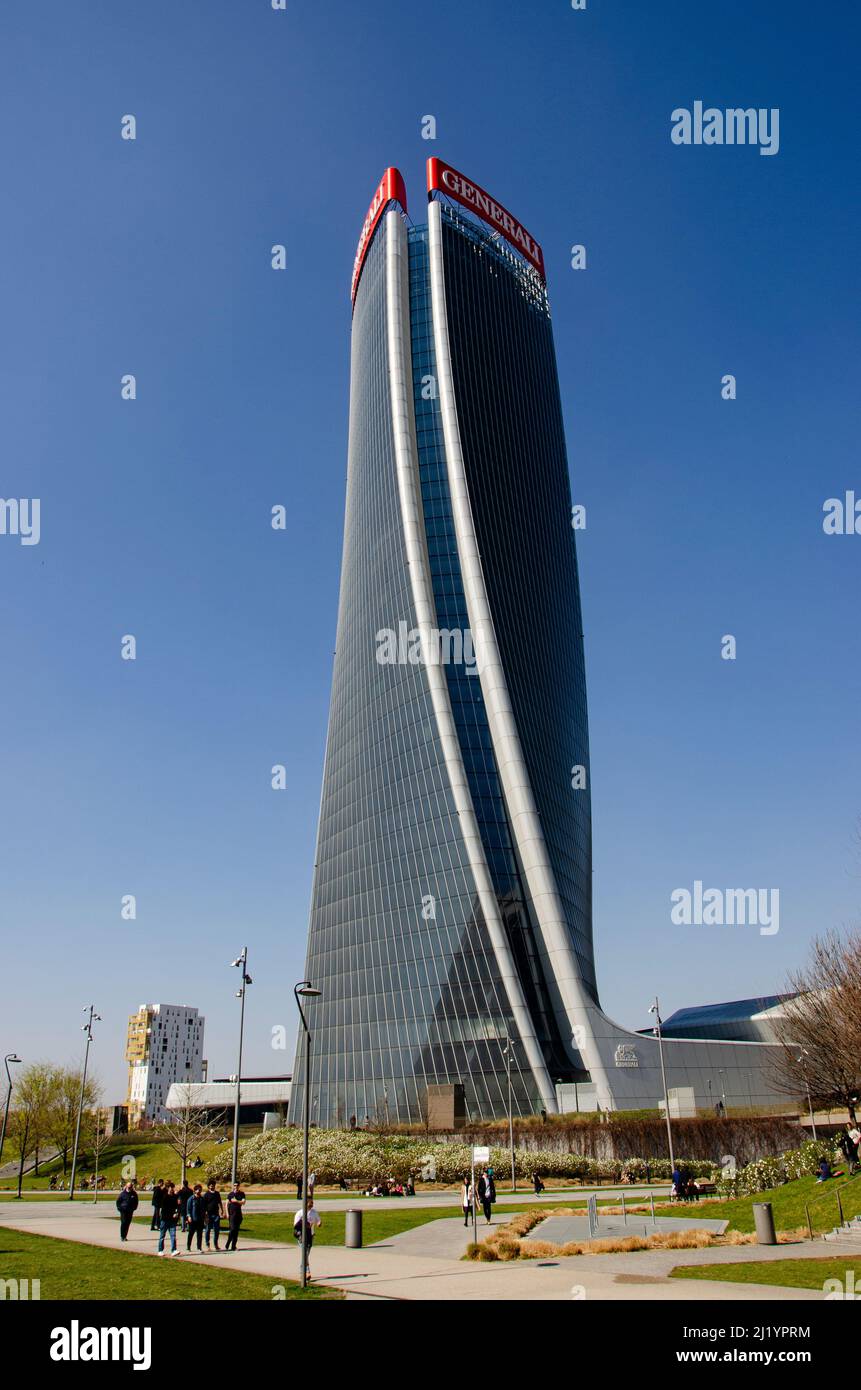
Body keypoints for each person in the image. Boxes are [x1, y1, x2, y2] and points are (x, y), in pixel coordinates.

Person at [293, 1199, 321, 1278]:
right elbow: (295, 1225)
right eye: (310, 1203)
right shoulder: (300, 1213)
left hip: (310, 1235)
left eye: (312, 1203)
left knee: (306, 1254)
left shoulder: (314, 1212)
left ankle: (302, 1270)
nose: (312, 1204)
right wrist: (305, 1225)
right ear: (305, 1203)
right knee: (305, 1253)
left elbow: (318, 1220)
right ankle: (307, 1272)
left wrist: (319, 1223)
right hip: (301, 1236)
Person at [158, 1180, 180, 1256]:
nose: (172, 1189)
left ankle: (174, 1250)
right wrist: (172, 1214)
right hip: (165, 1219)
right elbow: (164, 1209)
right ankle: (160, 1250)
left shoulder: (174, 1197)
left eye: (172, 1188)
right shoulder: (164, 1197)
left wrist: (176, 1212)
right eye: (170, 1188)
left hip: (172, 1220)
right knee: (162, 1236)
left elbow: (177, 1207)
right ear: (168, 1188)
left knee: (173, 1236)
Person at [203, 1179, 225, 1250]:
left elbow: (220, 1202)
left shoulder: (217, 1194)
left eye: (213, 1185)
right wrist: (205, 1213)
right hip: (208, 1215)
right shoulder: (206, 1195)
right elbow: (204, 1205)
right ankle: (207, 1245)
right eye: (210, 1185)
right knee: (208, 1230)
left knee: (216, 1230)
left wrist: (222, 1210)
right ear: (208, 1186)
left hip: (216, 1215)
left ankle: (216, 1244)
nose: (212, 1186)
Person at [224, 1181, 246, 1251]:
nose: (236, 1187)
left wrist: (236, 1201)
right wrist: (227, 1213)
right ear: (233, 1186)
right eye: (234, 1185)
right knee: (232, 1229)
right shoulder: (230, 1194)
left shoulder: (242, 1194)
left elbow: (243, 1202)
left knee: (236, 1231)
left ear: (239, 1186)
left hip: (238, 1214)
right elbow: (226, 1204)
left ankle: (233, 1246)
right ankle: (228, 1243)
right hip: (231, 1214)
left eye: (237, 1185)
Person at [186, 1183, 205, 1252]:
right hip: (193, 1219)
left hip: (200, 1219)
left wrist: (205, 1217)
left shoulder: (202, 1199)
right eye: (198, 1190)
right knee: (191, 1233)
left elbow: (204, 1209)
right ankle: (188, 1246)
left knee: (200, 1234)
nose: (199, 1191)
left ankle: (199, 1247)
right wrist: (189, 1216)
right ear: (195, 1191)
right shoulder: (191, 1199)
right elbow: (188, 1209)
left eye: (200, 1190)